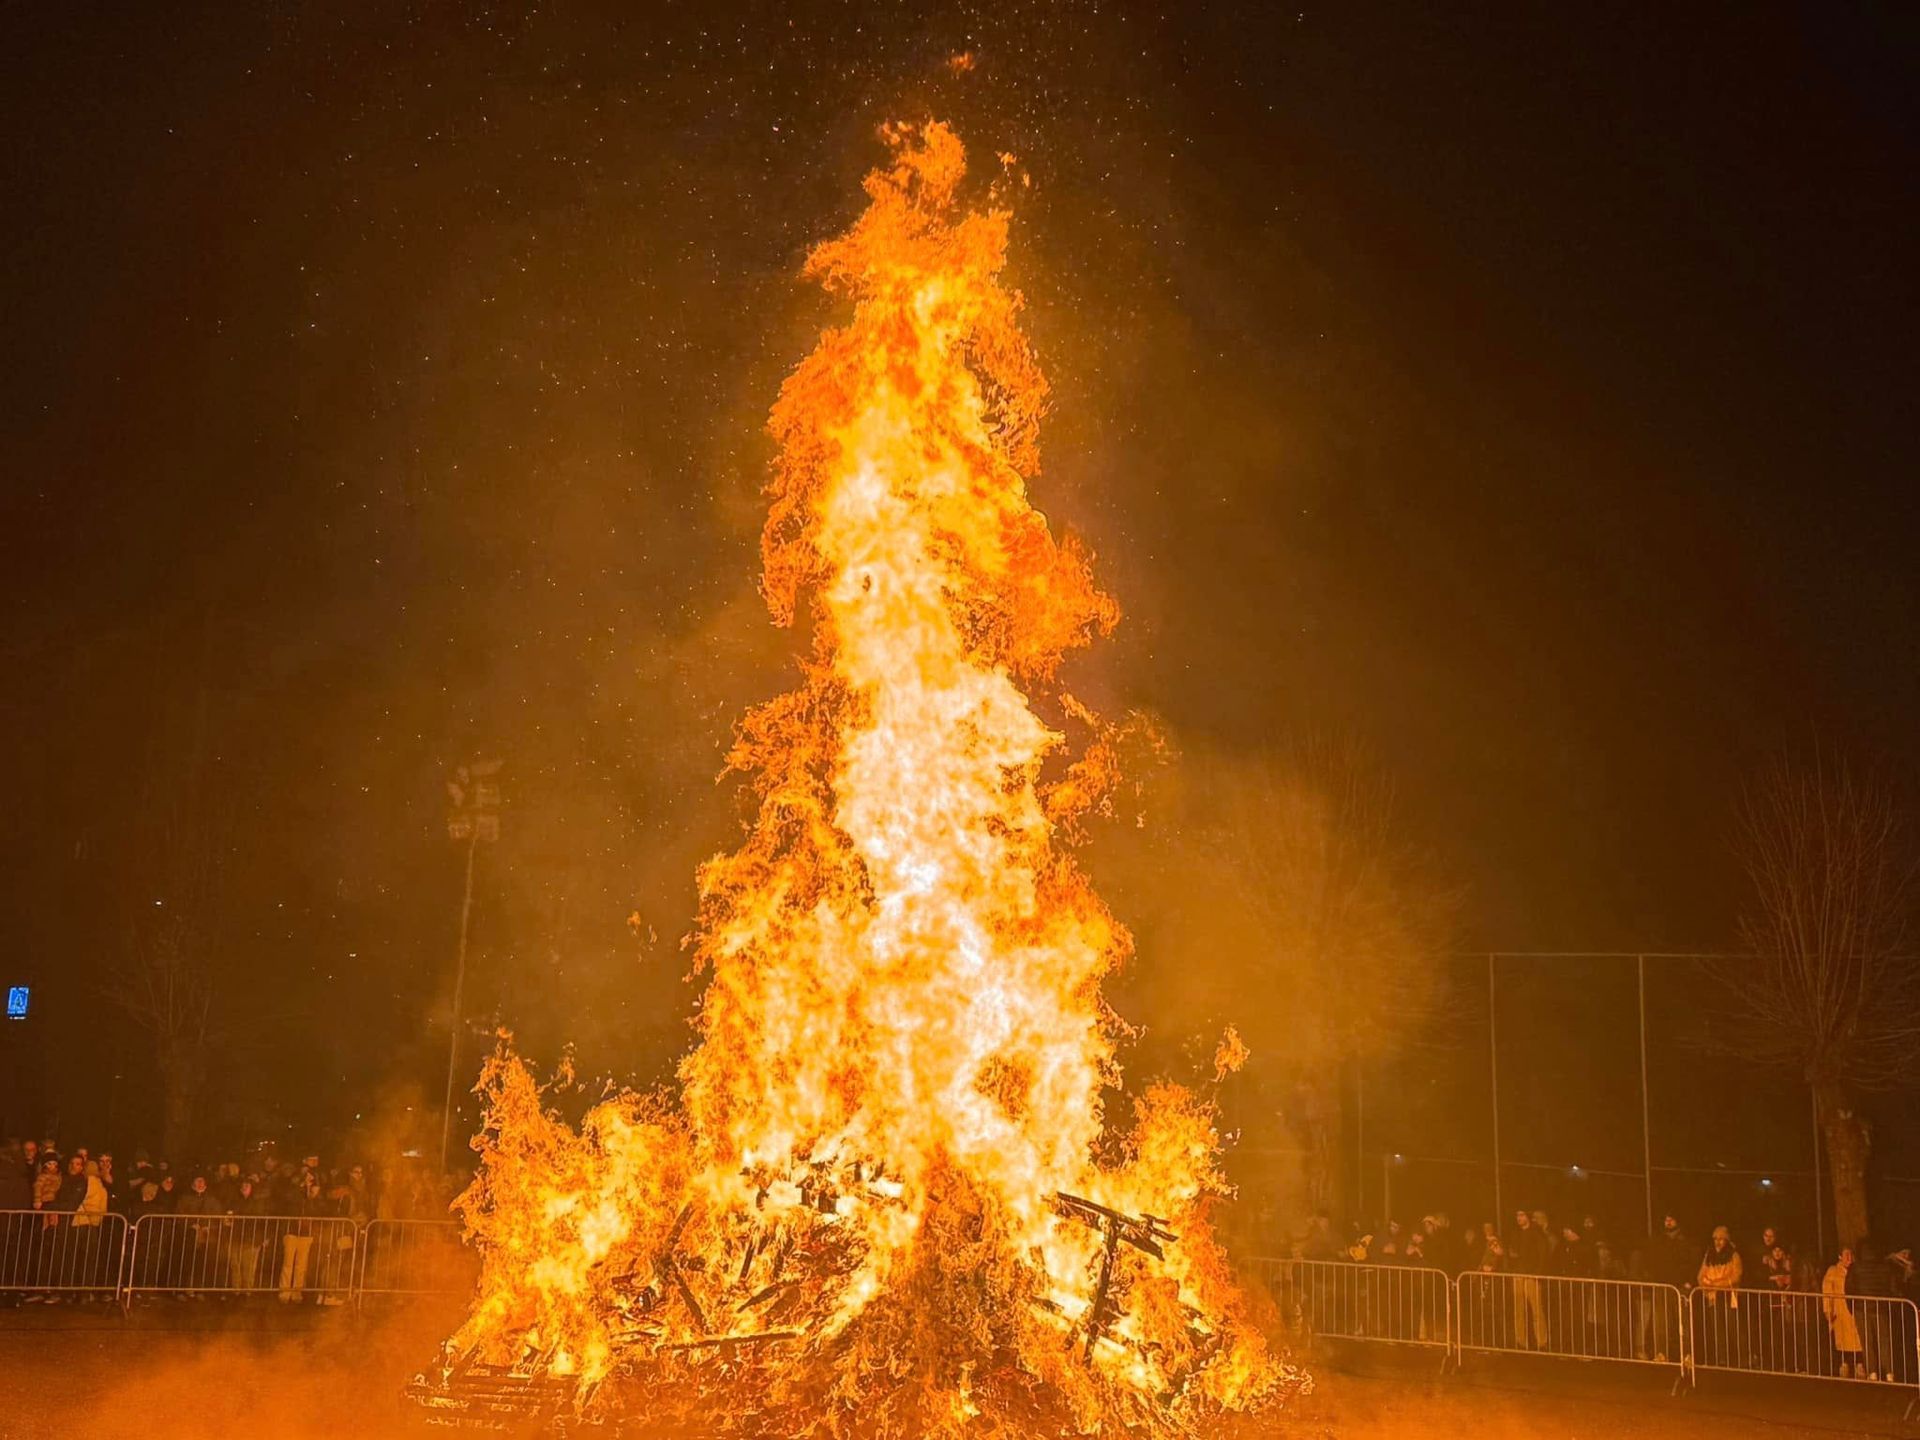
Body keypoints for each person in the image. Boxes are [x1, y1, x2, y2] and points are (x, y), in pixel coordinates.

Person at [1846, 1237, 1901, 1382]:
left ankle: (1872, 1372)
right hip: (1881, 1308)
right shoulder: (1885, 1267)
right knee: (1884, 1341)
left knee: (1867, 1342)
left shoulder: (1855, 1268)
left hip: (1861, 1308)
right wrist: (1890, 1306)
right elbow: (1893, 1289)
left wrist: (1852, 1307)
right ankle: (1889, 1372)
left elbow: (1849, 1289)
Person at [1697, 1225, 1744, 1366]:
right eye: (1715, 1239)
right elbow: (1700, 1276)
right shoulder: (1709, 1256)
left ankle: (1743, 1358)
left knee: (1733, 1327)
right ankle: (1722, 1358)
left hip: (1730, 1296)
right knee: (1717, 1328)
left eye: (1721, 1239)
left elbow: (1736, 1276)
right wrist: (1706, 1285)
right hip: (1713, 1297)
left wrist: (1717, 1284)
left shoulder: (1734, 1255)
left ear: (1727, 1240)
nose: (1717, 1242)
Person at [1506, 1208, 1550, 1350]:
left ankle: (1542, 1342)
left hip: (1532, 1276)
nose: (1519, 1218)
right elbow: (1511, 1252)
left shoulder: (1537, 1233)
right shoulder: (1515, 1233)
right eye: (1517, 1215)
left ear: (1528, 1217)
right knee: (1519, 1310)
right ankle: (1521, 1341)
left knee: (1537, 1310)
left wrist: (1537, 1273)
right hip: (1518, 1275)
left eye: (1522, 1215)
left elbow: (1543, 1255)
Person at [1824, 1247, 1865, 1377]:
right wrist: (1828, 1310)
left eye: (1851, 1254)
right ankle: (1844, 1363)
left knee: (1858, 1339)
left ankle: (1859, 1363)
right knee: (1841, 1339)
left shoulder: (1857, 1270)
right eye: (1846, 1255)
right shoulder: (1833, 1271)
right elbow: (1827, 1292)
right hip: (1840, 1311)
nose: (1849, 1258)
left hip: (1855, 1310)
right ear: (1840, 1256)